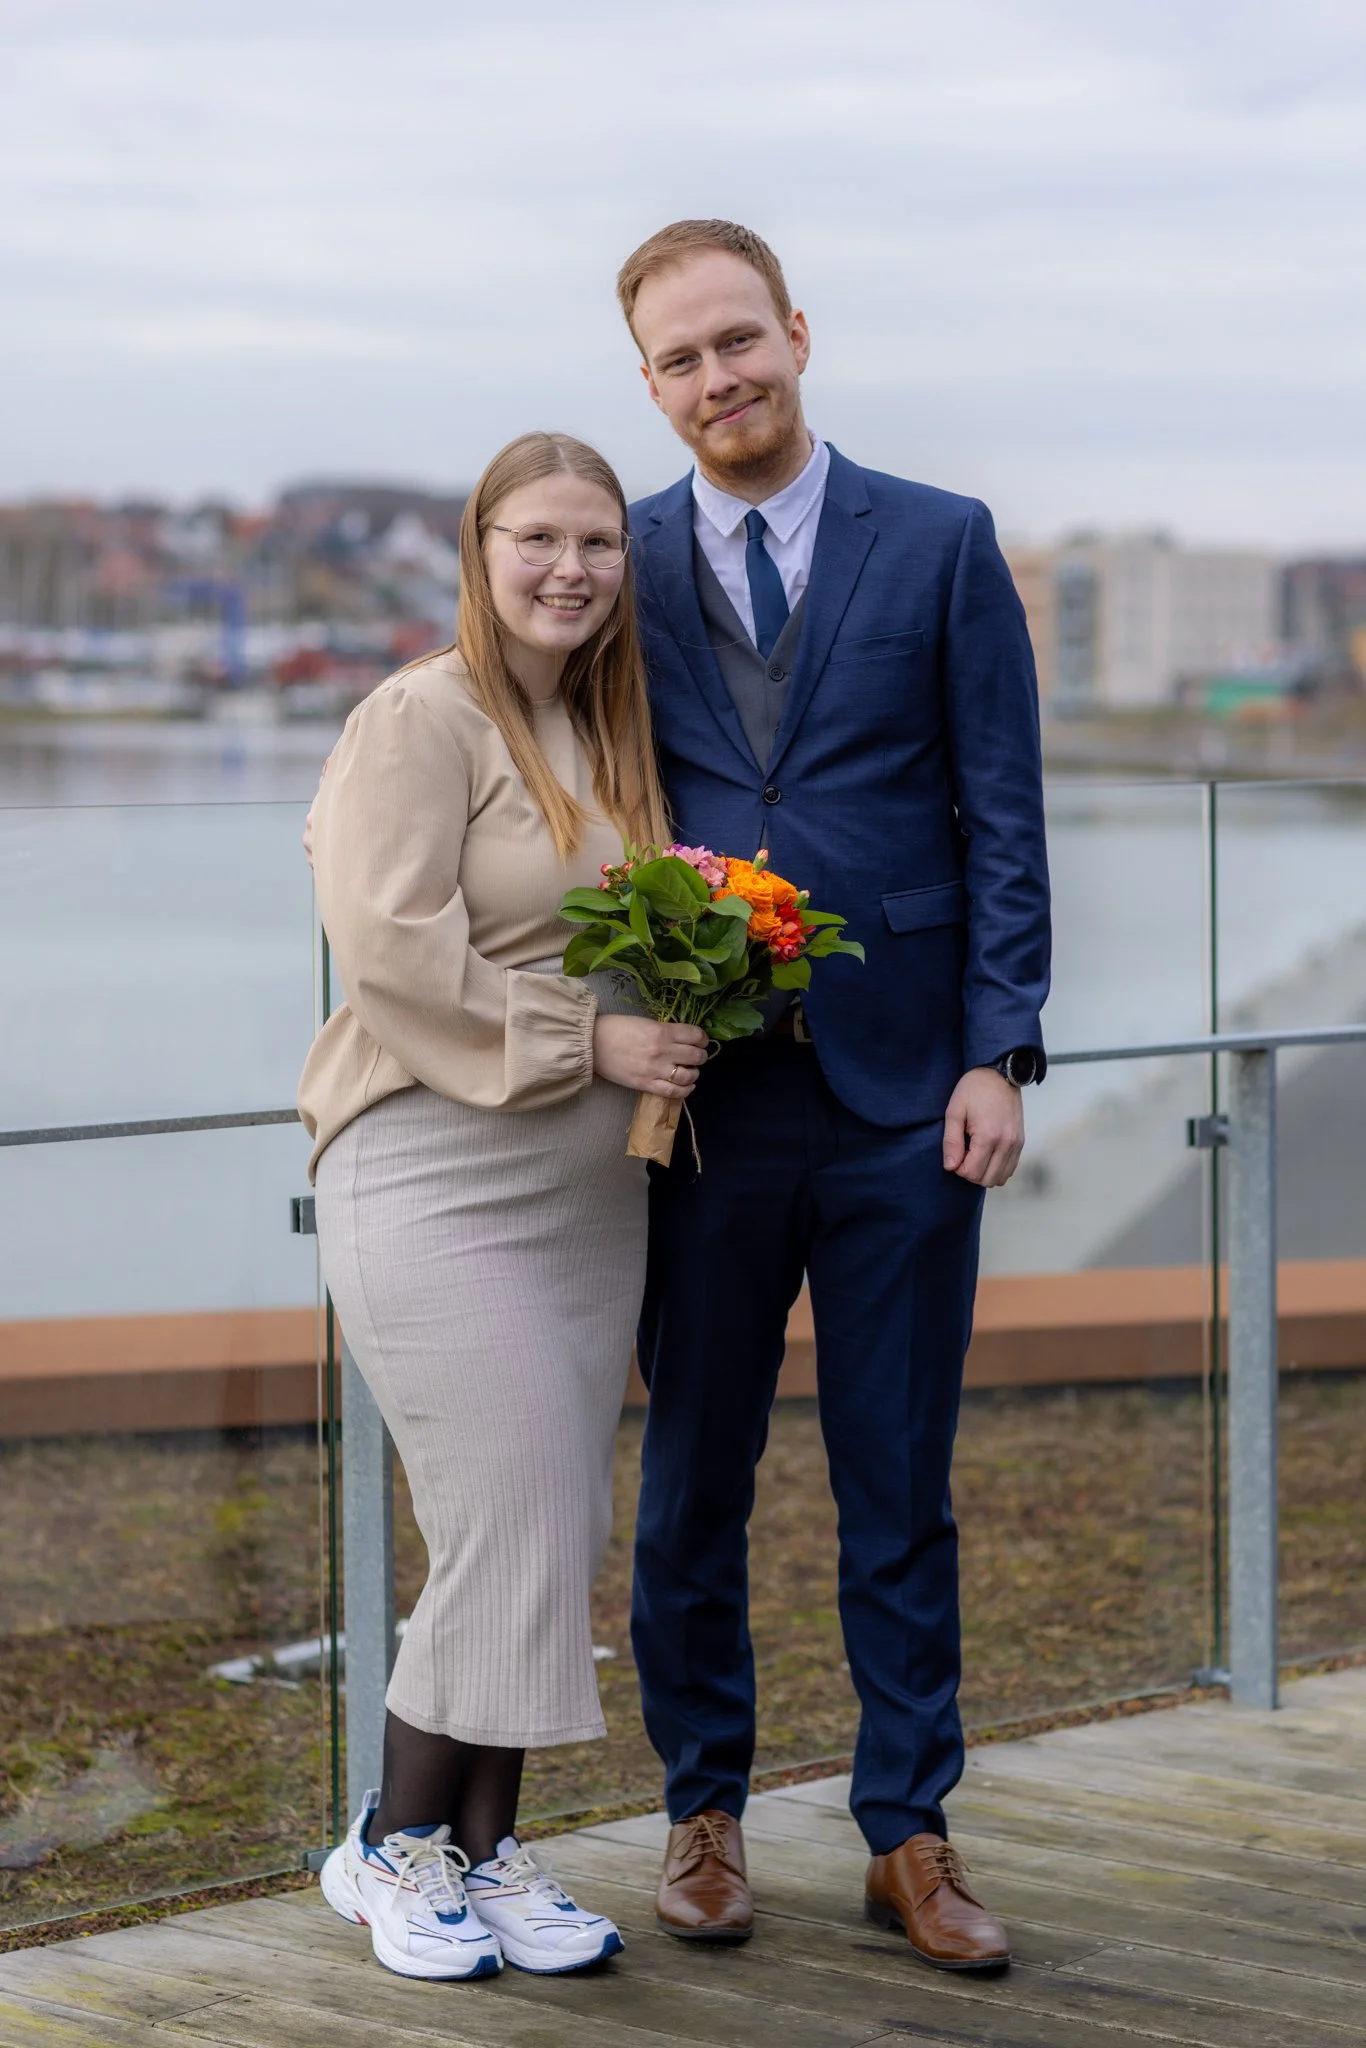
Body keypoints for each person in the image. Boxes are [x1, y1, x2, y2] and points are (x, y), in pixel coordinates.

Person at [617, 220, 1051, 1969]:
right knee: (690, 1481)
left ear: (796, 332)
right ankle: (700, 1812)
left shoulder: (939, 541)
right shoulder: (613, 560)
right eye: (680, 359)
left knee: (898, 1476)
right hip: (702, 1103)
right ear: (646, 385)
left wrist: (998, 1043)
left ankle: (909, 1832)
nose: (719, 378)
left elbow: (1000, 813)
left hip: (901, 1104)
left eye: (740, 339)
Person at [297, 430, 708, 1981]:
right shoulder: (420, 715)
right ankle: (387, 1850)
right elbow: (390, 954)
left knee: (547, 1520)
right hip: (428, 1171)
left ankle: (482, 1850)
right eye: (535, 538)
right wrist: (585, 1038)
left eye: (597, 544)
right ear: (478, 550)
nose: (568, 569)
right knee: (502, 1516)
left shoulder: (604, 726)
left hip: (583, 1195)